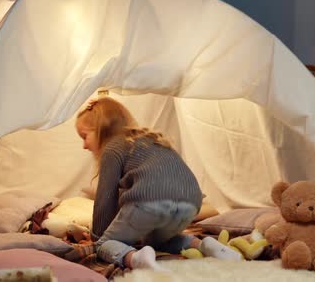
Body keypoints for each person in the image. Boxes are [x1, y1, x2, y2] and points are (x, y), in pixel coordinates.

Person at [75, 97, 242, 271]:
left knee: (105, 244)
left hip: (150, 200)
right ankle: (206, 246)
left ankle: (136, 258)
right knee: (159, 242)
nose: (84, 146)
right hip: (191, 203)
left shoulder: (113, 148)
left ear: (102, 130)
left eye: (84, 136)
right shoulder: (152, 140)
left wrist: (96, 237)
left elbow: (105, 200)